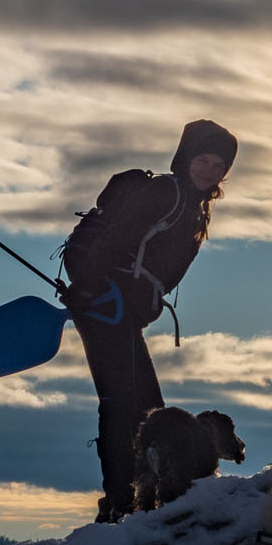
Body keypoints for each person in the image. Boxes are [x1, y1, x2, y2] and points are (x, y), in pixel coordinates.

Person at [62, 119, 237, 522]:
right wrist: (93, 289)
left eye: (219, 166)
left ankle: (145, 499)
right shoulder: (165, 192)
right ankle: (120, 505)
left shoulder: (192, 207)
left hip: (117, 310)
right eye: (203, 159)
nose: (210, 170)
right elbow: (115, 239)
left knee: (149, 411)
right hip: (104, 305)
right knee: (124, 405)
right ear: (185, 157)